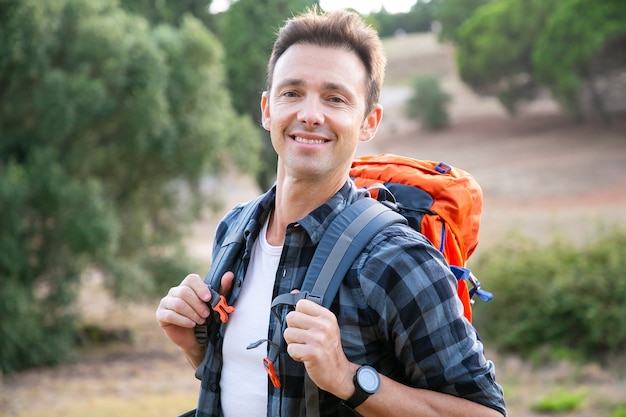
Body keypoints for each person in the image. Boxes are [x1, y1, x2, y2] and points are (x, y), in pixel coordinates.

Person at [156, 7, 506, 417]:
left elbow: (486, 413)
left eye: (334, 98)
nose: (309, 114)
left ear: (368, 122)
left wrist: (347, 377)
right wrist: (195, 347)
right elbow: (247, 389)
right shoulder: (235, 230)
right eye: (292, 93)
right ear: (268, 109)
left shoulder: (396, 258)